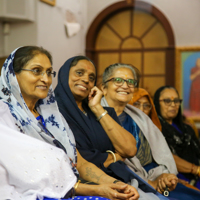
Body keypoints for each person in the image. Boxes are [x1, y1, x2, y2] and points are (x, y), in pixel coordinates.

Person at [0, 46, 139, 200]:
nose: (45, 79)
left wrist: (115, 184)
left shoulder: (53, 116)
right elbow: (28, 175)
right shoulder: (4, 115)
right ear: (13, 74)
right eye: (36, 71)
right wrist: (98, 190)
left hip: (70, 188)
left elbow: (80, 164)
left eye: (48, 72)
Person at [54, 56, 180, 200]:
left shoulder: (101, 112)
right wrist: (115, 156)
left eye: (91, 77)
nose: (85, 79)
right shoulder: (52, 113)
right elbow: (78, 160)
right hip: (86, 184)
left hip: (121, 178)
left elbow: (130, 150)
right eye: (79, 73)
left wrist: (97, 108)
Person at [154, 86, 200, 190]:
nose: (173, 105)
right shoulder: (155, 128)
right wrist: (196, 170)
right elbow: (167, 157)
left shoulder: (187, 128)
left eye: (176, 101)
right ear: (157, 103)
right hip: (173, 180)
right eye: (167, 101)